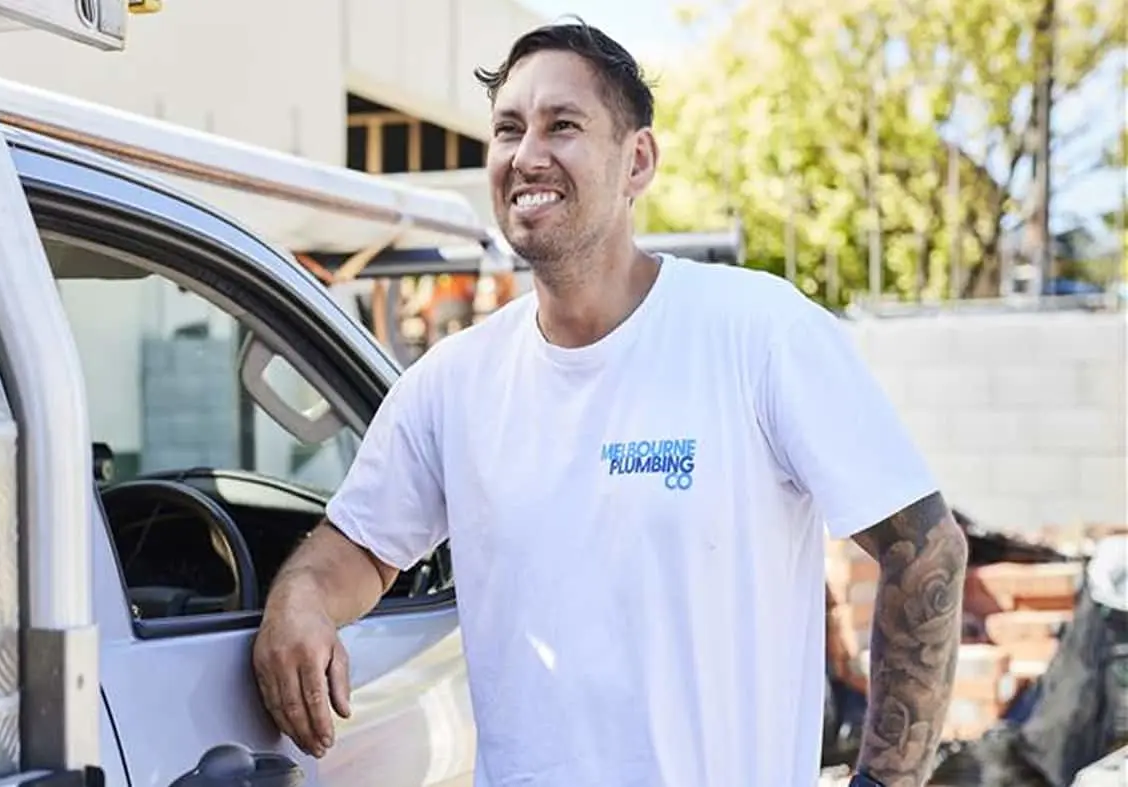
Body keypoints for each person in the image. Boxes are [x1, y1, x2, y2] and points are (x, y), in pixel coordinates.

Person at [252, 20, 968, 787]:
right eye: (508, 129)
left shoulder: (759, 331)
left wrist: (884, 781)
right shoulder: (452, 382)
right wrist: (300, 598)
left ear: (638, 161)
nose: (527, 154)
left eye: (562, 125)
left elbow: (926, 550)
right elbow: (360, 548)